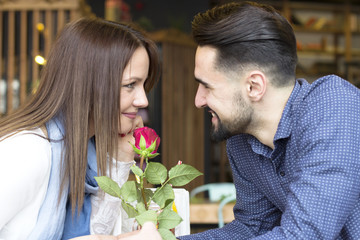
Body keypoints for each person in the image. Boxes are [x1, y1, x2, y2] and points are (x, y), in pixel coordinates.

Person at [179, 1, 360, 239]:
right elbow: (251, 228)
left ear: (254, 86)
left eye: (207, 86)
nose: (198, 100)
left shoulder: (333, 104)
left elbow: (304, 235)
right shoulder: (241, 141)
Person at [0, 17, 161, 240]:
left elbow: (96, 229)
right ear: (90, 83)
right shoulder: (28, 151)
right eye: (130, 85)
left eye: (143, 85)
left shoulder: (82, 150)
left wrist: (121, 157)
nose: (143, 100)